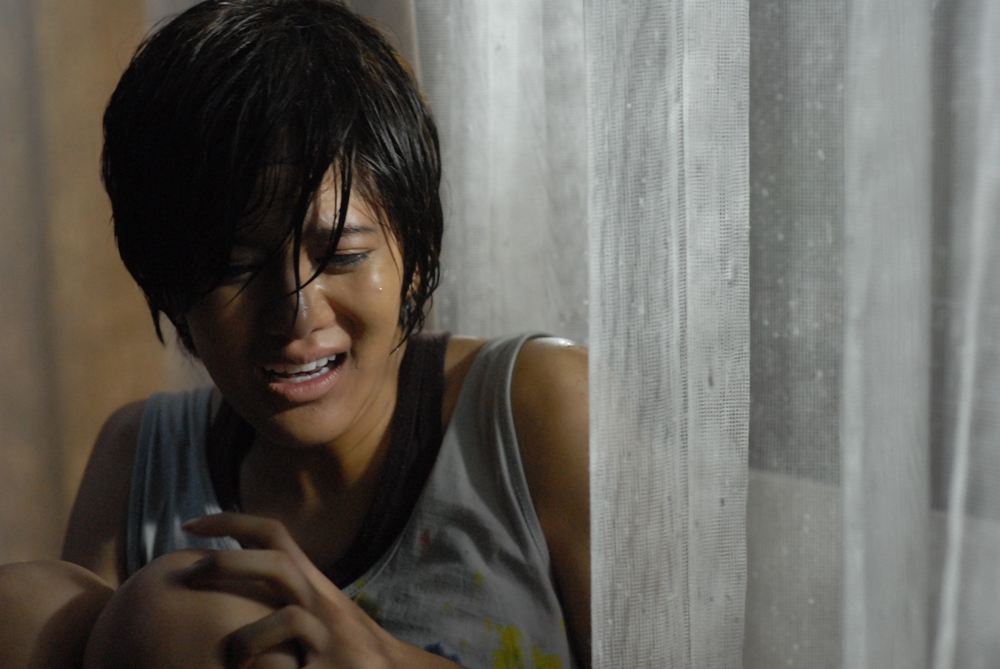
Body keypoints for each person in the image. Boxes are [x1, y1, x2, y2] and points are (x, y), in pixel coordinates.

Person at [0, 1, 590, 667]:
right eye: (234, 266)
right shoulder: (140, 458)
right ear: (170, 287)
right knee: (25, 611)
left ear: (417, 258)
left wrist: (383, 661)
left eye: (342, 255)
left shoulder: (536, 408)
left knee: (179, 620)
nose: (296, 313)